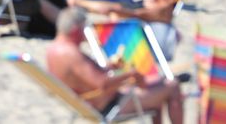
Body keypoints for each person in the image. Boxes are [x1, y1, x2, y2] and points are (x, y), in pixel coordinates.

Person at [46, 8, 185, 123]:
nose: (85, 34)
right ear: (75, 29)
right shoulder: (71, 53)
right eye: (84, 29)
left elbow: (84, 77)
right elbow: (101, 83)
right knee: (172, 86)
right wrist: (131, 74)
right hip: (109, 106)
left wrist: (108, 67)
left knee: (158, 84)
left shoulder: (54, 50)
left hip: (91, 101)